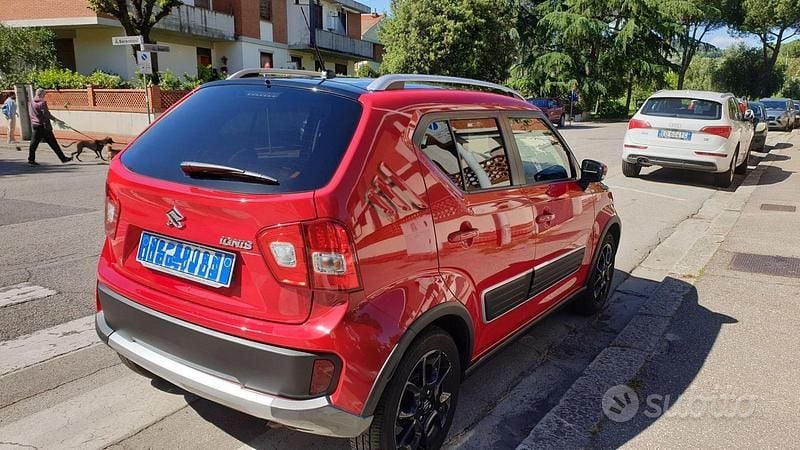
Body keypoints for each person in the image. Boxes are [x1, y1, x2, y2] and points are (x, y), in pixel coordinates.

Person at [28, 88, 71, 166]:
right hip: (44, 126)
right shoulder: (42, 103)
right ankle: (63, 158)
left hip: (35, 125)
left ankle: (31, 159)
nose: (44, 96)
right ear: (41, 94)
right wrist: (56, 120)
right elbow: (46, 114)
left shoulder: (31, 102)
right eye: (44, 94)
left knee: (33, 143)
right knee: (53, 143)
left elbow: (31, 113)